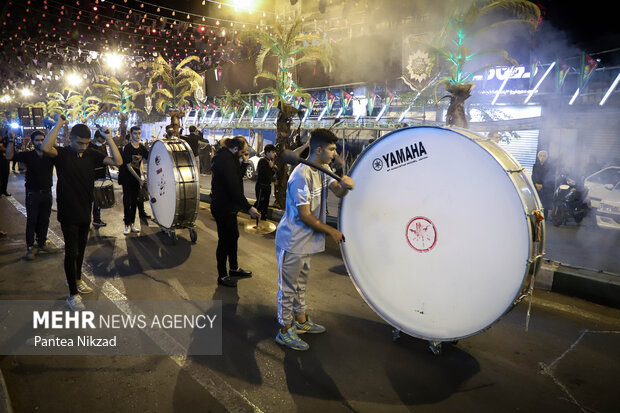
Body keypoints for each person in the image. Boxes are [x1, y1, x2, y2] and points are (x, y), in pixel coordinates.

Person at [274, 128, 354, 351]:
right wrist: (331, 231)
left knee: (300, 284)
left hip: (307, 240)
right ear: (318, 149)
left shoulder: (323, 168)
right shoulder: (300, 175)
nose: (334, 153)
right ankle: (284, 330)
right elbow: (305, 215)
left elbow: (337, 191)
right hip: (293, 240)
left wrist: (345, 186)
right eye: (330, 149)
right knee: (288, 288)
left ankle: (301, 321)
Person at [42, 118, 122, 311]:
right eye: (80, 143)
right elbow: (46, 148)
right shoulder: (62, 153)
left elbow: (118, 161)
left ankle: (77, 280)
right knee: (71, 252)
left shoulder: (91, 154)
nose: (83, 147)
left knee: (81, 249)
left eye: (86, 143)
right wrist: (59, 125)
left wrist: (109, 138)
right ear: (70, 138)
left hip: (85, 209)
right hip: (68, 210)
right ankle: (72, 294)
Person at [210, 135, 260, 287]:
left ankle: (233, 268)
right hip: (223, 206)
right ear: (236, 148)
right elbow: (233, 188)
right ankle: (222, 275)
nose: (245, 154)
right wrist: (249, 208)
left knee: (233, 237)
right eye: (243, 151)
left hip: (229, 206)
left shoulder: (229, 156)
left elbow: (237, 178)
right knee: (224, 240)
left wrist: (244, 162)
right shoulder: (224, 160)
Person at [6, 130, 58, 260]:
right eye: (37, 140)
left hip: (47, 193)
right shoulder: (28, 155)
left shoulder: (50, 155)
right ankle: (30, 247)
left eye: (42, 140)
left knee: (45, 220)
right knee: (32, 220)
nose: (40, 142)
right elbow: (9, 156)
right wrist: (11, 140)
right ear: (32, 141)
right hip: (32, 194)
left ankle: (42, 243)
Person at [118, 126, 149, 235]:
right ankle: (126, 224)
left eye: (139, 133)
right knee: (127, 202)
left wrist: (142, 174)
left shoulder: (141, 147)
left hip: (137, 178)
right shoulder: (127, 148)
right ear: (131, 134)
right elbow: (129, 166)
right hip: (127, 178)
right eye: (135, 133)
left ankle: (132, 223)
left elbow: (141, 162)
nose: (138, 135)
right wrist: (139, 179)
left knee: (135, 201)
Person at [89, 130, 109, 228]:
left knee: (98, 199)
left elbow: (105, 157)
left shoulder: (103, 146)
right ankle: (87, 220)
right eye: (102, 138)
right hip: (92, 176)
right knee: (89, 200)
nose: (104, 140)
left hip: (101, 176)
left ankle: (97, 219)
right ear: (96, 137)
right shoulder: (89, 147)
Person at [254, 144, 277, 219]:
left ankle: (263, 218)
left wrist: (273, 169)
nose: (274, 154)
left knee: (265, 204)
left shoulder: (270, 161)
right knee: (259, 203)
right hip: (261, 186)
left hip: (267, 186)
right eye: (273, 152)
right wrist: (270, 167)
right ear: (267, 152)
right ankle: (254, 217)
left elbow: (270, 175)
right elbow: (263, 174)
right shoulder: (262, 161)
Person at [532, 150, 554, 219]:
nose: (542, 157)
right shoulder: (535, 166)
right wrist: (536, 184)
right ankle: (537, 217)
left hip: (545, 188)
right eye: (540, 156)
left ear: (546, 157)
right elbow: (533, 176)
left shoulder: (550, 167)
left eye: (544, 156)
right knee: (536, 204)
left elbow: (550, 178)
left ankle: (544, 218)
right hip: (536, 187)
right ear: (538, 157)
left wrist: (542, 185)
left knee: (544, 205)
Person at [0, 132, 11, 196]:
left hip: (5, 161)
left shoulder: (7, 139)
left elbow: (8, 150)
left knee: (5, 175)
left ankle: (4, 190)